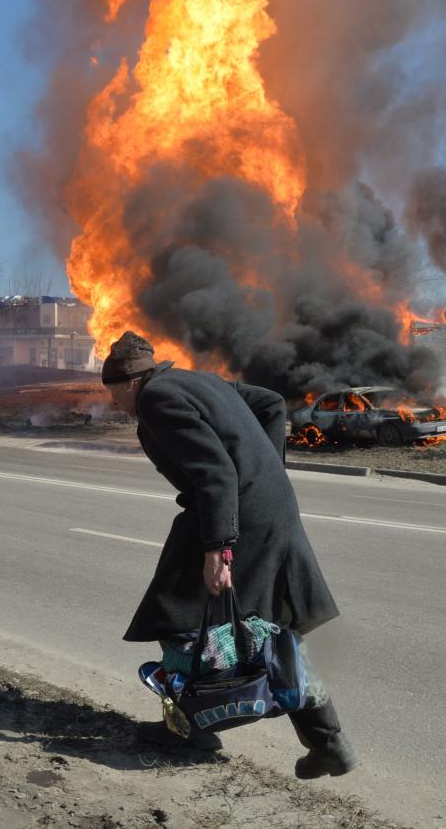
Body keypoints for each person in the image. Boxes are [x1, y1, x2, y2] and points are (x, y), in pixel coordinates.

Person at [102, 330, 358, 779]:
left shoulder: (156, 399)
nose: (112, 406)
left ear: (127, 384)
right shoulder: (201, 382)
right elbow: (272, 404)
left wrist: (218, 548)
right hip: (267, 508)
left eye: (112, 395)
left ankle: (193, 727)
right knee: (269, 625)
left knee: (179, 613)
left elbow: (215, 473)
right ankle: (328, 742)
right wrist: (266, 470)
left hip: (233, 519)